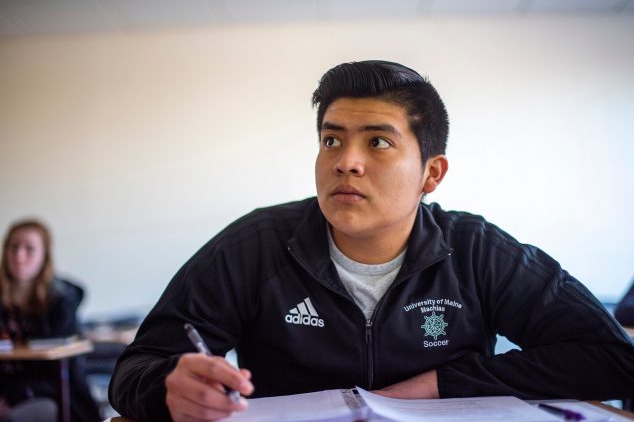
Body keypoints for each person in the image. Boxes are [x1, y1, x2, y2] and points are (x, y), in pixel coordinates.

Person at [109, 60, 634, 422]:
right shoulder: (255, 245)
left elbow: (609, 357)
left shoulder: (475, 251)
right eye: (331, 139)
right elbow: (136, 368)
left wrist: (442, 383)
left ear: (432, 173)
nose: (345, 160)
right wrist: (168, 389)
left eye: (378, 142)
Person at [0, 219, 101, 422]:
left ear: (44, 256)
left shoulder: (62, 300)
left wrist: (11, 395)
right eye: (14, 247)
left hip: (50, 390)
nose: (19, 256)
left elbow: (58, 371)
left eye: (29, 249)